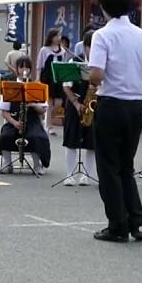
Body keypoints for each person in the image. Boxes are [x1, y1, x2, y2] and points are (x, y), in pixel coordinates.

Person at [87, 0, 142, 243]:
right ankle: (138, 224)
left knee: (109, 167)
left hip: (111, 104)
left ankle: (117, 225)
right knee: (126, 166)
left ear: (103, 7)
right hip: (136, 105)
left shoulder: (103, 35)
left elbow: (96, 75)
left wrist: (87, 74)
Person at [0, 56, 51, 174]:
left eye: (27, 67)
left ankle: (37, 165)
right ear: (16, 69)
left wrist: (33, 104)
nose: (24, 70)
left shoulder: (36, 86)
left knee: (36, 136)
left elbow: (43, 110)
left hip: (32, 121)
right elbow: (4, 111)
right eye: (21, 67)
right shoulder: (10, 87)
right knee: (5, 135)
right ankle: (7, 164)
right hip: (15, 120)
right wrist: (14, 122)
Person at [60, 30, 97, 186]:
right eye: (91, 47)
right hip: (75, 104)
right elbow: (66, 86)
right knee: (71, 140)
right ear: (85, 46)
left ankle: (87, 176)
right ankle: (70, 174)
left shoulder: (101, 64)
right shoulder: (74, 62)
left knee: (92, 143)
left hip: (94, 105)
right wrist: (75, 103)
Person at [37, 28, 65, 135]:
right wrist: (38, 79)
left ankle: (47, 119)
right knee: (48, 103)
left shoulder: (62, 50)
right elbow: (39, 66)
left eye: (59, 36)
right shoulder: (44, 50)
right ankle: (49, 126)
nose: (59, 38)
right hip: (47, 78)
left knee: (58, 103)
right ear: (51, 37)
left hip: (58, 78)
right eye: (57, 36)